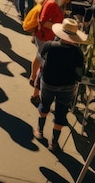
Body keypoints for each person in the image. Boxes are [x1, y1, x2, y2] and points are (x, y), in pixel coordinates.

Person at [33, 18, 86, 151]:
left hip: (49, 82)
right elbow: (80, 73)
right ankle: (54, 142)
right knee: (61, 112)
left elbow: (40, 59)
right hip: (67, 86)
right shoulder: (78, 53)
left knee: (44, 105)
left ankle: (39, 131)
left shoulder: (49, 45)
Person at [30, 0, 76, 104]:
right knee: (43, 64)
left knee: (39, 56)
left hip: (45, 36)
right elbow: (43, 22)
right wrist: (60, 28)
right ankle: (35, 88)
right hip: (44, 36)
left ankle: (33, 77)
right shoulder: (52, 4)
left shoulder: (55, 2)